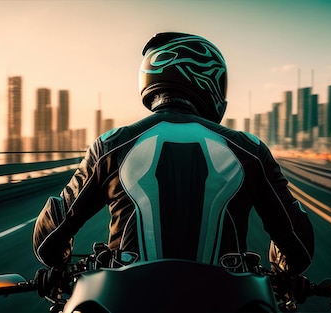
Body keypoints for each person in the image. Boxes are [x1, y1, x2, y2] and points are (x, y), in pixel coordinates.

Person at [32, 32, 314, 276]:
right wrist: (283, 267)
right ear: (206, 77)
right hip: (223, 300)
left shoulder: (110, 145)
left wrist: (61, 262)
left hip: (128, 298)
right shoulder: (249, 150)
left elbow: (49, 236)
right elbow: (299, 248)